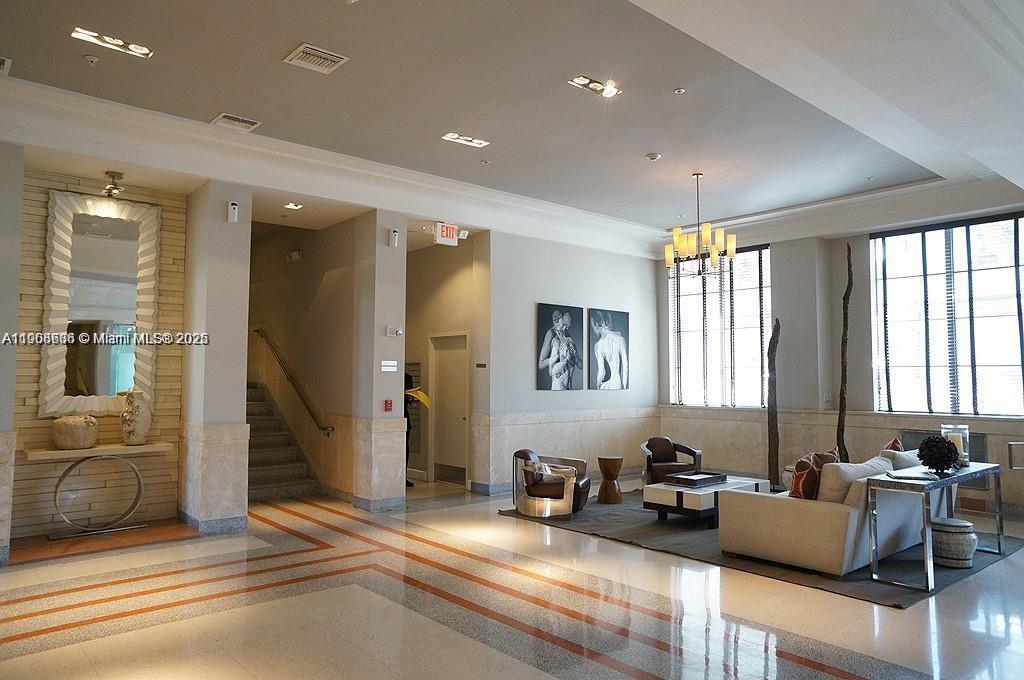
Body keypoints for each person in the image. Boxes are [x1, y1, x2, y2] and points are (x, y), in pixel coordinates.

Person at [538, 310, 582, 390]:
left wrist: (574, 354)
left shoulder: (567, 335)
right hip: (558, 384)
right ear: (559, 319)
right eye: (564, 325)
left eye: (568, 327)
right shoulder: (551, 334)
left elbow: (579, 364)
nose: (566, 328)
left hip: (569, 385)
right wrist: (557, 357)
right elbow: (541, 364)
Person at [592, 311, 628, 389]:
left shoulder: (599, 344)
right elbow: (625, 366)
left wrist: (598, 385)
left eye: (593, 327)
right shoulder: (620, 339)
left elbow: (601, 371)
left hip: (604, 385)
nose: (594, 331)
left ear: (597, 325)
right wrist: (624, 386)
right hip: (616, 383)